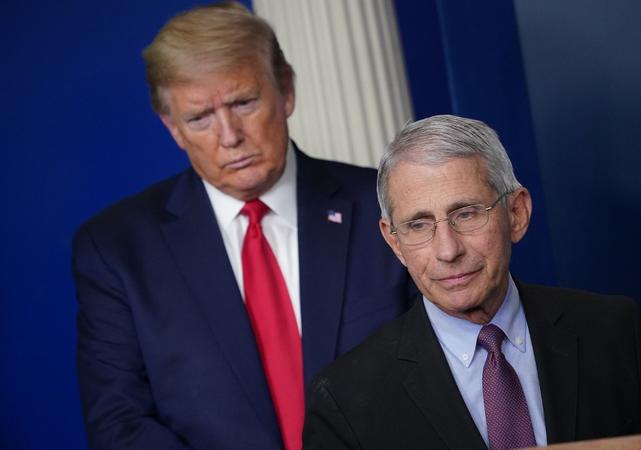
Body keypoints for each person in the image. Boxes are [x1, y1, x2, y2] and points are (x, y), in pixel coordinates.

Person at [71, 2, 415, 449]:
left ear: (286, 91)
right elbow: (120, 423)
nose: (229, 136)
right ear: (172, 128)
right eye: (199, 118)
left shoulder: (384, 207)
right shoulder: (116, 249)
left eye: (243, 102)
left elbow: (442, 376)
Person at [303, 115, 641, 450]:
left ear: (517, 213)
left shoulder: (616, 333)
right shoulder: (344, 400)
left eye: (467, 214)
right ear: (394, 241)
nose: (447, 249)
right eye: (418, 225)